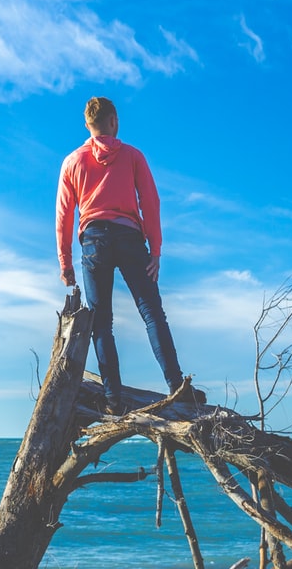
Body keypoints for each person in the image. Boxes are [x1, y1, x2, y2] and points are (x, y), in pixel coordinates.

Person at [55, 96, 201, 415]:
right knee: (151, 312)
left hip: (93, 241)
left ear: (87, 125)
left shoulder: (72, 162)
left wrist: (65, 264)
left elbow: (64, 215)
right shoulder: (133, 155)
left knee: (101, 323)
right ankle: (177, 387)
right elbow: (151, 202)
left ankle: (113, 398)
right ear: (114, 120)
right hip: (130, 238)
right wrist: (156, 250)